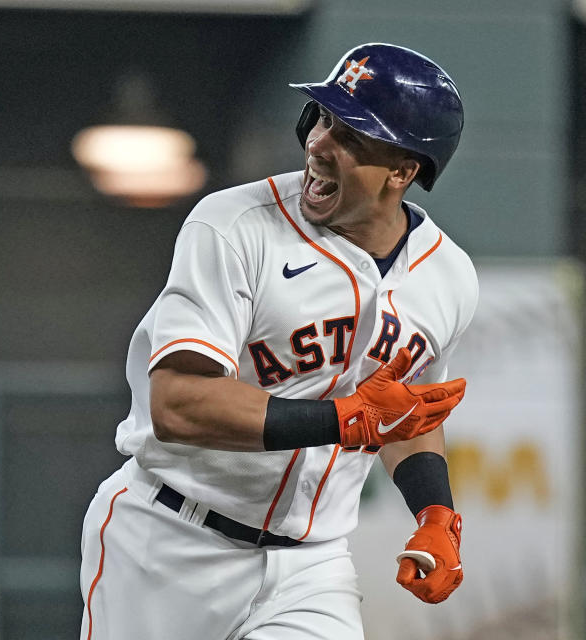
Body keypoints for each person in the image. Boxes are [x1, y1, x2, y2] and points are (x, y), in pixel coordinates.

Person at [80, 43, 477, 639]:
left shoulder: (448, 276)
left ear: (403, 171)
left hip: (310, 564)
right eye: (322, 119)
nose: (319, 142)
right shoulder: (233, 225)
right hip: (169, 539)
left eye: (352, 136)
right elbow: (177, 404)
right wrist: (344, 418)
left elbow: (405, 413)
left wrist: (435, 512)